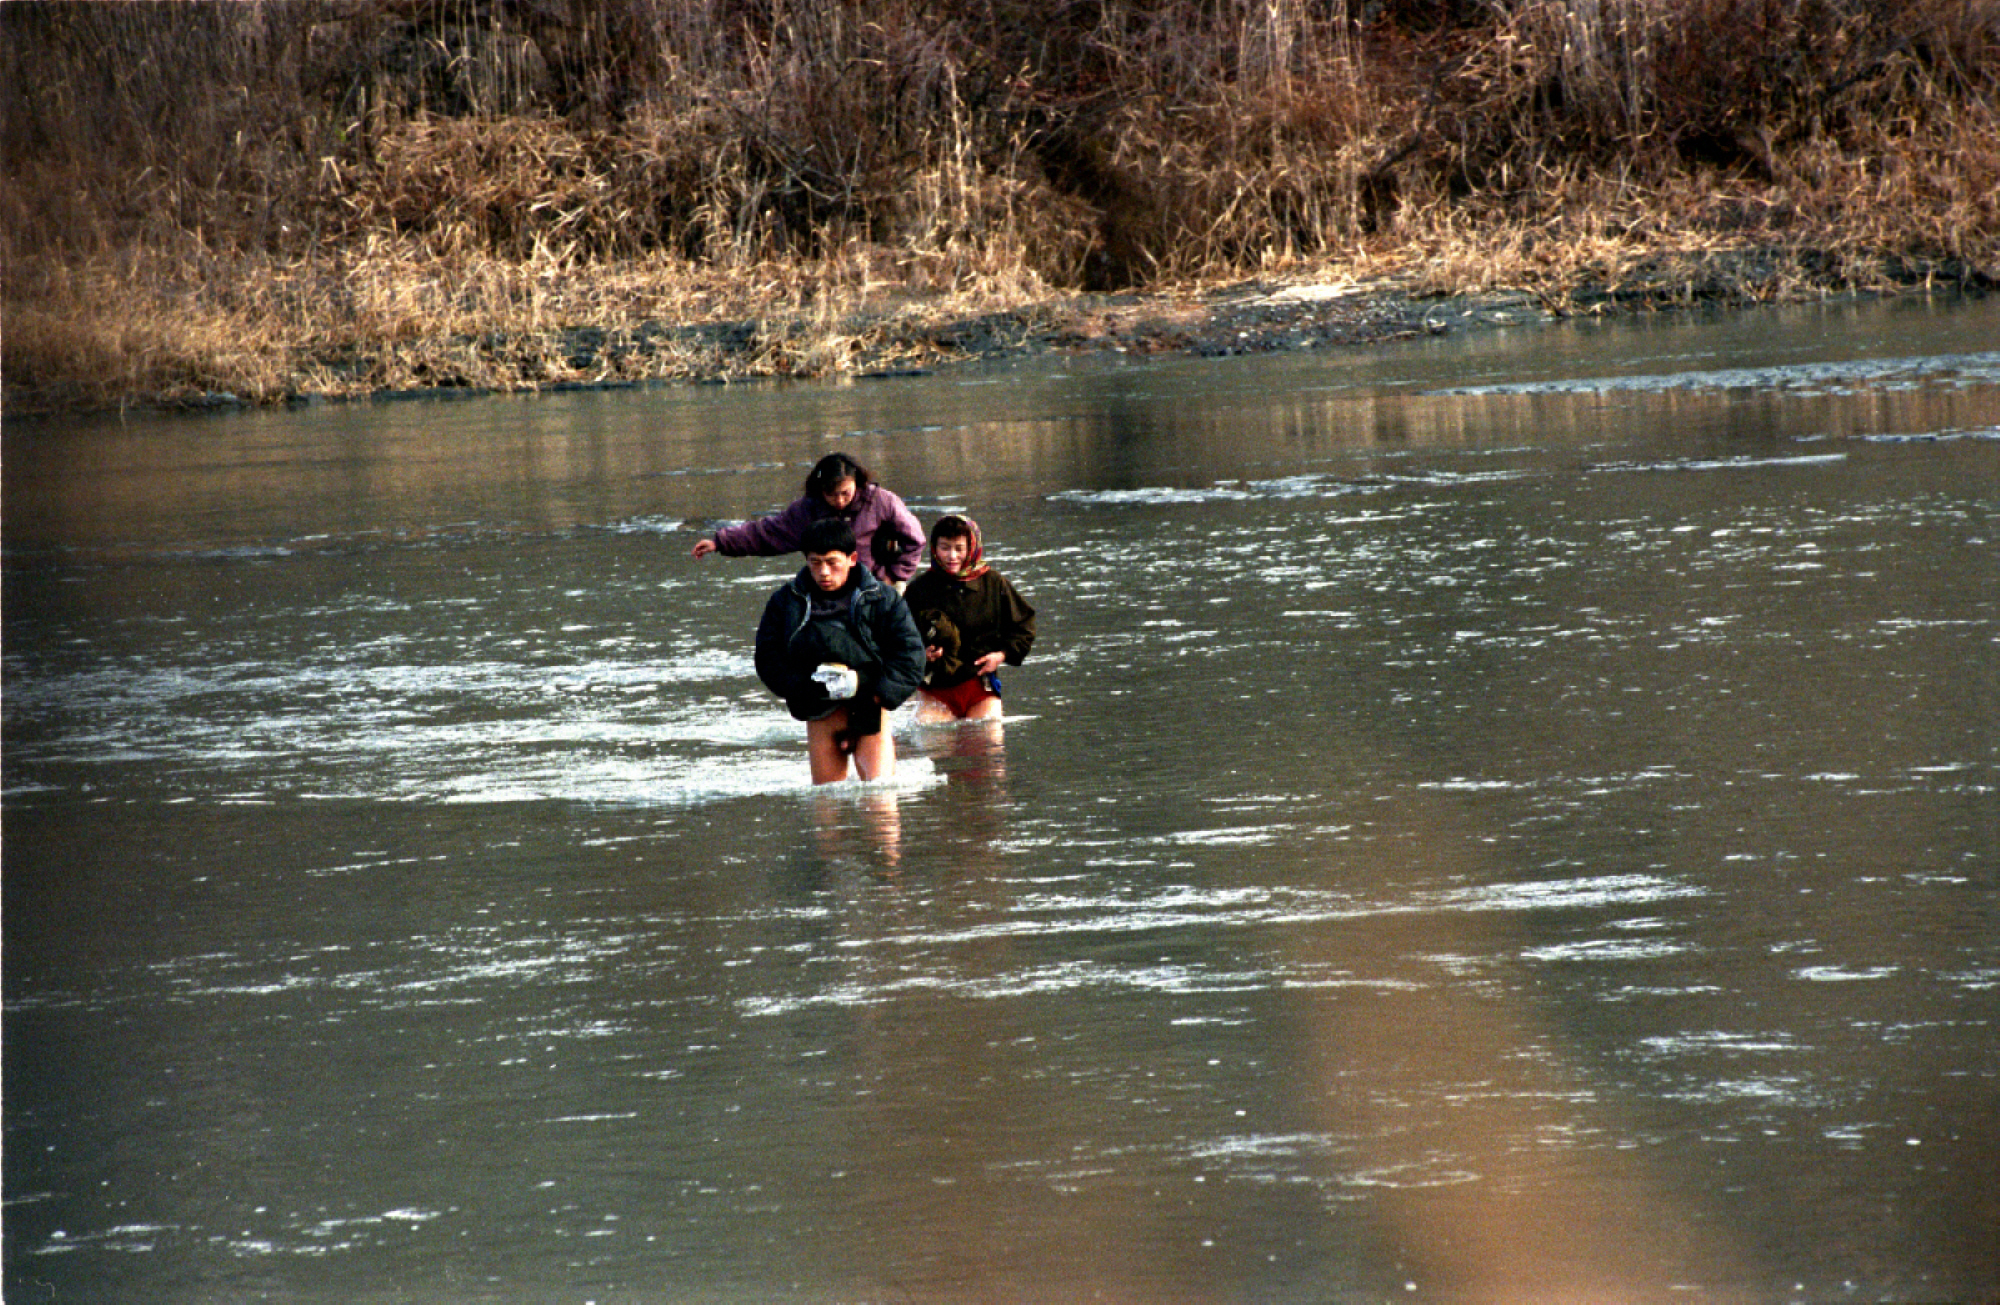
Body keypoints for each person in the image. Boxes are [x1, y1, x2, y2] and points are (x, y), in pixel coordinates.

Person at [755, 516, 927, 784]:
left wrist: (873, 690)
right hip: (820, 712)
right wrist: (803, 687)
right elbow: (768, 659)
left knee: (881, 797)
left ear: (852, 559)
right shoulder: (785, 602)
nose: (824, 572)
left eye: (832, 563)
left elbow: (911, 658)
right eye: (815, 563)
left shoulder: (884, 599)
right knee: (827, 802)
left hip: (871, 709)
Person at [693, 452, 926, 590]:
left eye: (845, 493)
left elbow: (915, 539)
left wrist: (893, 576)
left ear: (857, 482)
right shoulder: (808, 509)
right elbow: (768, 533)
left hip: (878, 583)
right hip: (828, 586)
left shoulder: (881, 501)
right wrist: (721, 542)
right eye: (831, 494)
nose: (839, 501)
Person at [903, 514, 1036, 723]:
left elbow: (1024, 625)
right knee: (933, 739)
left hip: (980, 686)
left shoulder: (993, 583)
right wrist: (921, 654)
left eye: (959, 548)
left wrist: (1001, 655)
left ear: (971, 548)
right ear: (934, 548)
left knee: (988, 740)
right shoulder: (919, 589)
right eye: (945, 547)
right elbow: (898, 636)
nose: (952, 556)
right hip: (934, 689)